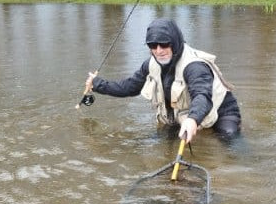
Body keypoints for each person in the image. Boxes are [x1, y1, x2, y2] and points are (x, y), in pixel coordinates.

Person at [85, 18, 242, 142]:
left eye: (164, 44)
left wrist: (192, 120)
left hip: (222, 112)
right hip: (181, 118)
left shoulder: (194, 66)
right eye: (153, 45)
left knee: (230, 143)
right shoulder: (151, 64)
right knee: (154, 142)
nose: (159, 51)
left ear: (174, 42)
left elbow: (202, 96)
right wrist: (97, 84)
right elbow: (130, 87)